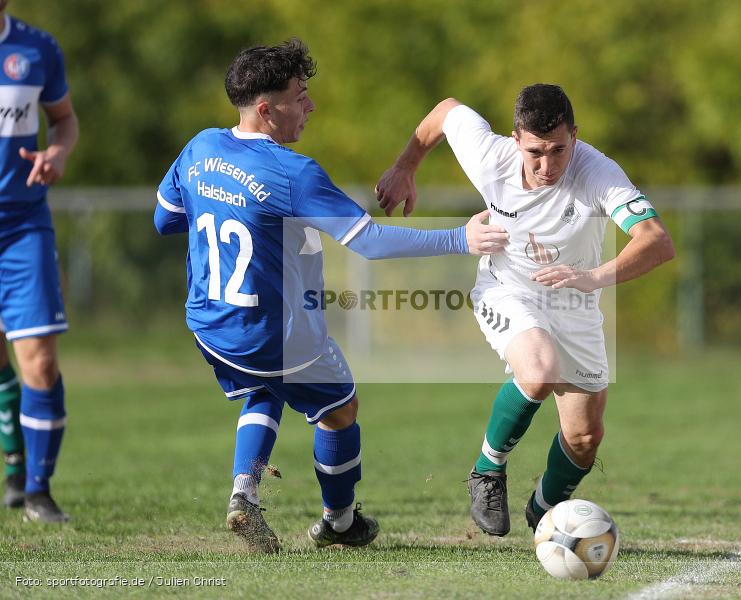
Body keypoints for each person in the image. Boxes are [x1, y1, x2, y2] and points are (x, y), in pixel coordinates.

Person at [155, 39, 506, 553]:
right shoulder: (292, 173)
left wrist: (230, 208)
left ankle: (244, 494)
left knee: (263, 389)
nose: (310, 106)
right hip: (270, 332)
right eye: (301, 97)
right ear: (266, 109)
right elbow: (369, 241)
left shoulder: (200, 146)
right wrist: (459, 238)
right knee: (340, 408)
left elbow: (165, 220)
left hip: (209, 324)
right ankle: (339, 522)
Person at [376, 84, 674, 536]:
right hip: (506, 288)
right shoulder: (489, 155)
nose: (548, 165)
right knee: (539, 370)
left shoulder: (597, 172)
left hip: (575, 303)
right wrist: (405, 166)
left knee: (585, 440)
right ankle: (486, 470)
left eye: (559, 150)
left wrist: (591, 278)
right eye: (536, 151)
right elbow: (446, 110)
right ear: (515, 139)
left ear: (575, 135)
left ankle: (544, 511)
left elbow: (657, 241)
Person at [0, 1, 79, 522]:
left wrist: (58, 154)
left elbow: (64, 121)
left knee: (40, 361)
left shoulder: (36, 48)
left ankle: (37, 491)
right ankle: (13, 463)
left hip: (22, 225)